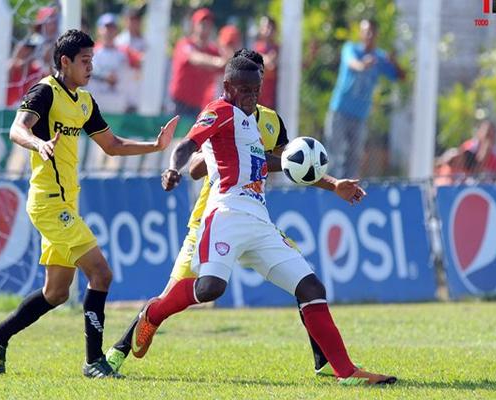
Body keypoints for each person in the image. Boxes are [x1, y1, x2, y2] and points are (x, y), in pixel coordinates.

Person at [130, 56, 396, 385]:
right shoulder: (220, 111)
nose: (251, 97)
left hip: (259, 221)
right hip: (226, 213)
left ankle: (346, 372)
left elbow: (266, 161)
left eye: (256, 90)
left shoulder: (250, 123)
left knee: (311, 287)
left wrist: (322, 177)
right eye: (244, 90)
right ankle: (153, 313)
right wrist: (173, 168)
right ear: (227, 87)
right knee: (210, 288)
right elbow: (188, 144)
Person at [0, 29, 179, 379]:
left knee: (55, 293)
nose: (90, 66)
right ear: (64, 62)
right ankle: (93, 362)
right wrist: (37, 144)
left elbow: (112, 145)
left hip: (67, 203)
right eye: (84, 61)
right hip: (48, 203)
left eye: (92, 60)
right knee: (101, 274)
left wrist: (155, 146)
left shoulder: (84, 100)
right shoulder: (45, 92)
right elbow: (16, 129)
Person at [325, 19, 405, 178]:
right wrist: (364, 65)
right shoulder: (351, 49)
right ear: (361, 33)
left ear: (376, 35)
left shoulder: (380, 57)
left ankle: (348, 188)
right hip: (340, 110)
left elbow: (400, 76)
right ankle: (329, 185)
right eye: (365, 32)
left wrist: (394, 62)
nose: (368, 36)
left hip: (360, 115)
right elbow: (353, 64)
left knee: (354, 156)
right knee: (334, 152)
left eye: (371, 32)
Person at [168, 8, 226, 119]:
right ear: (194, 25)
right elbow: (194, 58)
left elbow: (227, 65)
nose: (206, 28)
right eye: (202, 24)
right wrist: (217, 62)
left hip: (198, 105)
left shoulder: (213, 50)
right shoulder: (185, 44)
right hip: (179, 103)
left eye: (209, 25)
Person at [87, 13, 129, 113]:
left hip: (117, 107)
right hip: (96, 108)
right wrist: (105, 76)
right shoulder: (91, 52)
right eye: (106, 27)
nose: (109, 31)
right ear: (99, 30)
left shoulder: (123, 54)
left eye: (112, 28)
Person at [115, 7, 146, 112]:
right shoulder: (119, 41)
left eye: (136, 20)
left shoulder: (145, 41)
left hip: (139, 90)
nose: (134, 23)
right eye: (131, 19)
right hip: (122, 90)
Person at [253, 16, 279, 109]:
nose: (269, 30)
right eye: (266, 27)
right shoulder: (256, 47)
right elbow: (267, 63)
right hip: (258, 98)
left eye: (271, 27)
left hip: (274, 96)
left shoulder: (278, 49)